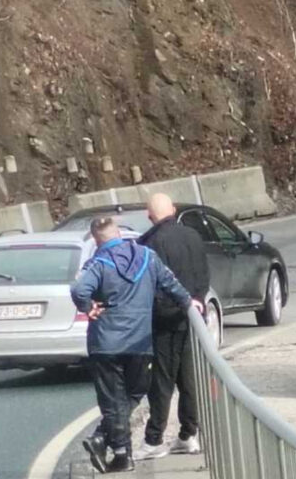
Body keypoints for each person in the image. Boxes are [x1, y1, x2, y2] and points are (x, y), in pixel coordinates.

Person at [72, 217, 200, 474]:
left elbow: (79, 290)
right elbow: (170, 284)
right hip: (140, 342)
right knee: (135, 393)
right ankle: (117, 450)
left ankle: (115, 449)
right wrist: (189, 303)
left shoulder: (98, 263)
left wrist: (88, 307)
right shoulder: (146, 256)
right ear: (118, 233)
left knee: (112, 400)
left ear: (97, 240)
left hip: (105, 344)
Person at [133, 194, 210, 460]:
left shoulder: (149, 244)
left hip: (164, 320)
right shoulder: (193, 236)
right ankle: (189, 434)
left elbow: (150, 286)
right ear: (174, 210)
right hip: (193, 317)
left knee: (161, 382)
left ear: (149, 215)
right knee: (189, 380)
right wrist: (196, 302)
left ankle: (154, 439)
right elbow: (203, 275)